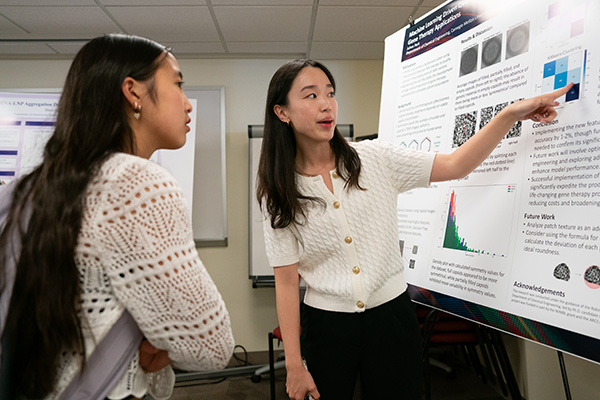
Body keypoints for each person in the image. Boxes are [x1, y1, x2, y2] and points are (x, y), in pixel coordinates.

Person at [256, 59, 571, 400]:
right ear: (282, 112)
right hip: (327, 325)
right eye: (311, 95)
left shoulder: (374, 159)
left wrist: (510, 114)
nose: (325, 104)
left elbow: (456, 164)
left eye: (330, 93)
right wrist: (294, 365)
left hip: (391, 317)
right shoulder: (279, 191)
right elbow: (287, 281)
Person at [0, 34, 234, 399]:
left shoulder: (28, 188)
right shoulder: (137, 183)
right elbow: (211, 344)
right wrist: (155, 339)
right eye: (177, 83)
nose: (188, 104)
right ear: (133, 92)